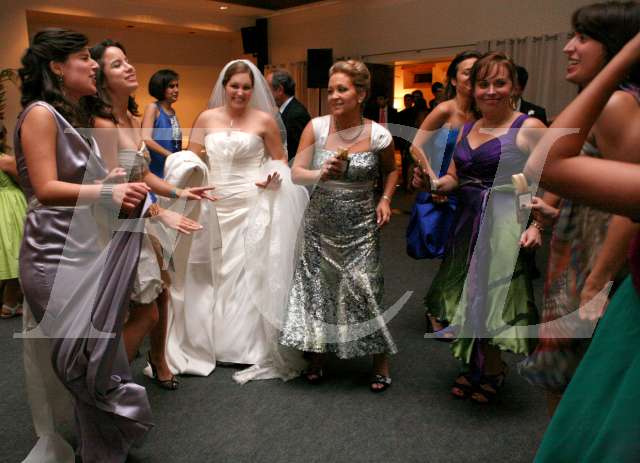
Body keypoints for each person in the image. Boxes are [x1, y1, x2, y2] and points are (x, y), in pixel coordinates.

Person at [15, 28, 152, 462]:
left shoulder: (69, 118)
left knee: (96, 352)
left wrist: (106, 183)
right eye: (84, 57)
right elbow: (45, 188)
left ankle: (100, 449)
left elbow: (77, 185)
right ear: (58, 67)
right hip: (52, 255)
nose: (93, 65)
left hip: (83, 248)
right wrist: (106, 191)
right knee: (82, 359)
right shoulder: (40, 114)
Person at [524, 27, 640, 463]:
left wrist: (598, 279)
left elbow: (627, 210)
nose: (568, 47)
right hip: (580, 242)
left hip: (597, 256)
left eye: (584, 36)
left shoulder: (616, 103)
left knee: (579, 371)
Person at [413, 52, 548, 403]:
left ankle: (493, 369)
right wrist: (432, 183)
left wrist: (538, 223)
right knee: (469, 294)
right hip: (467, 222)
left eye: (499, 83)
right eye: (483, 84)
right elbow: (454, 179)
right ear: (472, 89)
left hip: (504, 223)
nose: (490, 91)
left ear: (514, 87)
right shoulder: (468, 128)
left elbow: (556, 176)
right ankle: (476, 365)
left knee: (493, 296)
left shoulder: (528, 127)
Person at [173, 59, 308, 382]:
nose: (240, 92)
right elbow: (191, 158)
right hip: (213, 203)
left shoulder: (264, 120)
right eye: (235, 86)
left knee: (246, 273)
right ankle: (208, 341)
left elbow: (280, 160)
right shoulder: (206, 118)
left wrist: (272, 177)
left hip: (250, 203)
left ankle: (245, 347)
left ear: (254, 90)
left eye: (246, 87)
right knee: (211, 272)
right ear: (224, 86)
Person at [87, 39, 210, 391]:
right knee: (146, 310)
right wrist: (161, 215)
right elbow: (118, 190)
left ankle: (157, 360)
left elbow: (142, 176)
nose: (128, 67)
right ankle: (104, 386)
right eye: (116, 64)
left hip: (141, 216)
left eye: (127, 60)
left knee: (161, 292)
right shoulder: (103, 124)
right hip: (118, 225)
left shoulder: (129, 118)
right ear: (100, 78)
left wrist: (180, 193)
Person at [280, 59, 400, 392]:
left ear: (360, 94)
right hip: (320, 223)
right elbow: (296, 173)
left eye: (342, 89)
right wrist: (321, 173)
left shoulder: (379, 134)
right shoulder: (316, 128)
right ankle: (318, 356)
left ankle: (379, 359)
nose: (334, 96)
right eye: (331, 90)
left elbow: (391, 170)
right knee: (319, 287)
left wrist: (385, 199)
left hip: (360, 225)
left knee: (365, 286)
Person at [409, 50, 480, 330]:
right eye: (467, 72)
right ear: (453, 79)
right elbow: (416, 146)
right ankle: (436, 310)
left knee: (468, 255)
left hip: (473, 191)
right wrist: (431, 178)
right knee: (453, 255)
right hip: (442, 191)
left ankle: (452, 307)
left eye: (478, 72)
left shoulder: (484, 113)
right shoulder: (444, 110)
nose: (472, 78)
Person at [142, 69, 182, 178]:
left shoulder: (173, 112)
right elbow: (146, 138)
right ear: (161, 88)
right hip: (156, 170)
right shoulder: (153, 108)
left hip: (172, 168)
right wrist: (170, 155)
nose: (176, 90)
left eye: (177, 86)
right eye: (171, 86)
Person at [0, 152, 26, 319]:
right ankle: (9, 304)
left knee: (5, 256)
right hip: (10, 208)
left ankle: (9, 301)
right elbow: (27, 182)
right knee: (16, 253)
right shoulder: (5, 160)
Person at [267, 68, 311, 162]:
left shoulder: (296, 114)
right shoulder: (286, 110)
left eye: (267, 89)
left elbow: (297, 153)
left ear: (279, 90)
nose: (265, 93)